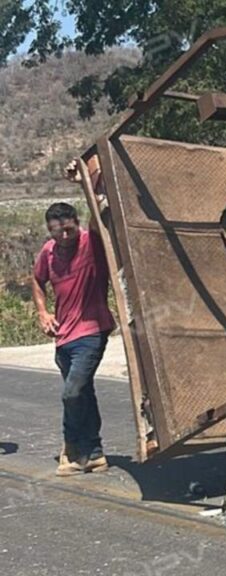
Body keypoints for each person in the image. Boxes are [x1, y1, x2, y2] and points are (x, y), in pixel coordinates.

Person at [31, 159, 116, 476]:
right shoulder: (48, 252)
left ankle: (70, 446)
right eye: (58, 231)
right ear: (50, 231)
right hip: (62, 337)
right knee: (84, 392)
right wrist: (43, 311)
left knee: (72, 392)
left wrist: (82, 181)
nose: (65, 236)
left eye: (69, 228)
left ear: (76, 223)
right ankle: (94, 452)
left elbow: (98, 213)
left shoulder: (90, 242)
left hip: (92, 331)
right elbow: (36, 281)